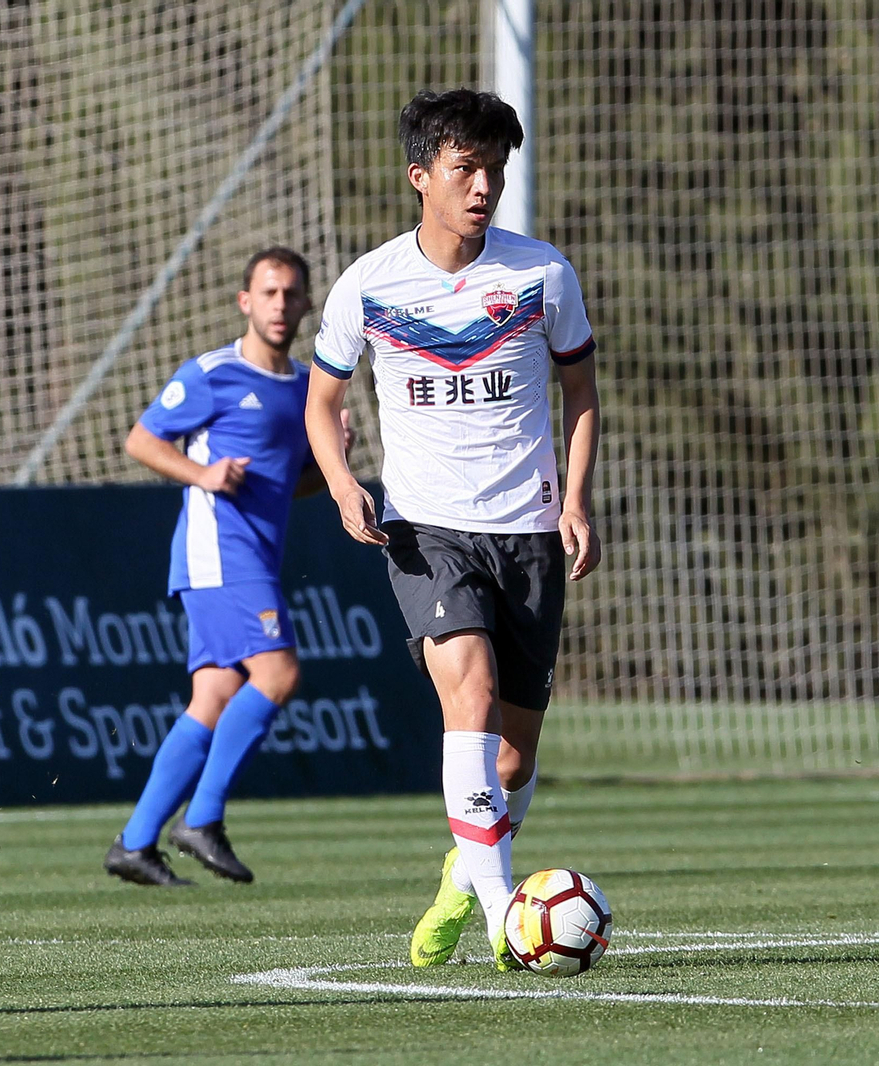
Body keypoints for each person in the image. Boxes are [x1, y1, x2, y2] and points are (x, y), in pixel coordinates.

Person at [304, 89, 601, 970]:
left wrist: (577, 500)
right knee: (465, 700)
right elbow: (322, 403)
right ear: (420, 176)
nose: (484, 186)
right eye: (466, 168)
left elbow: (580, 393)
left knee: (511, 763)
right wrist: (340, 484)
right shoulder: (369, 283)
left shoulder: (542, 274)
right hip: (426, 529)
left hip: (530, 531)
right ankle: (513, 915)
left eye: (494, 170)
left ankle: (461, 877)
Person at [105, 247, 352, 887]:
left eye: (290, 294)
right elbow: (140, 438)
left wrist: (331, 463)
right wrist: (204, 474)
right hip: (218, 552)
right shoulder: (213, 373)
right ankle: (203, 818)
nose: (279, 304)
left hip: (253, 556)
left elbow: (290, 487)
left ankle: (134, 844)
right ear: (246, 301)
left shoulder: (304, 390)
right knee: (277, 673)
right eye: (267, 293)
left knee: (213, 695)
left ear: (304, 305)